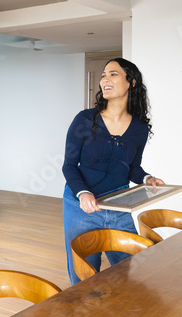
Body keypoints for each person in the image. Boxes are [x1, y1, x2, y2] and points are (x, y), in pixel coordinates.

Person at [62, 57, 164, 285]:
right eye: (103, 75)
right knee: (84, 275)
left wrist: (147, 178)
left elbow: (132, 168)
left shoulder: (139, 128)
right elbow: (69, 166)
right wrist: (83, 193)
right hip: (80, 207)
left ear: (131, 82)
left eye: (113, 74)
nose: (105, 80)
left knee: (124, 271)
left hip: (118, 206)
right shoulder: (85, 119)